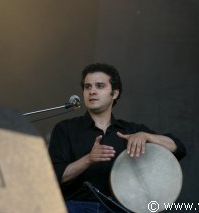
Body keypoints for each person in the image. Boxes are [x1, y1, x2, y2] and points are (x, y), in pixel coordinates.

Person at [49, 63, 186, 213]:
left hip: (118, 209)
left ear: (114, 93)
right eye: (87, 87)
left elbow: (178, 148)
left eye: (99, 86)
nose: (92, 91)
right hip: (76, 206)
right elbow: (54, 177)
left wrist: (147, 136)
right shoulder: (65, 129)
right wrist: (88, 159)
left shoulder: (131, 130)